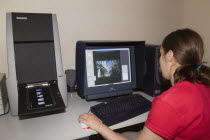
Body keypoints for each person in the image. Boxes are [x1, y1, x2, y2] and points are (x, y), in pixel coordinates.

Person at [79, 28, 210, 140]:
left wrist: (98, 125)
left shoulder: (168, 102)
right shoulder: (204, 84)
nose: (159, 60)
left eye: (161, 54)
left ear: (169, 56)